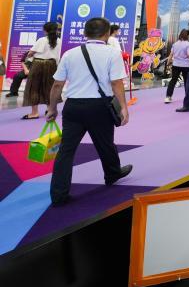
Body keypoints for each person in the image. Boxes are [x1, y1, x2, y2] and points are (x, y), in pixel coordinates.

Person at [45, 17, 131, 206]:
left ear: (84, 33)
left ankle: (58, 194)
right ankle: (112, 173)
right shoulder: (113, 53)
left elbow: (57, 84)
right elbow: (116, 83)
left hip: (73, 107)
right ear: (107, 34)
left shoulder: (70, 54)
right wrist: (124, 107)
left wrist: (52, 108)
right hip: (100, 107)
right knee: (105, 143)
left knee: (66, 151)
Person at [23, 21, 61, 120]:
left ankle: (34, 113)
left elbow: (31, 53)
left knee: (33, 88)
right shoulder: (59, 41)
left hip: (38, 65)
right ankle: (49, 109)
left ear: (45, 30)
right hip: (52, 65)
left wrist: (28, 55)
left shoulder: (42, 40)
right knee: (49, 87)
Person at [165, 29, 189, 104]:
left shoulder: (175, 44)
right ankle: (188, 96)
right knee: (187, 81)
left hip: (176, 65)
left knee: (173, 81)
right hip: (186, 65)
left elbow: (171, 55)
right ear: (187, 36)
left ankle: (168, 97)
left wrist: (168, 63)